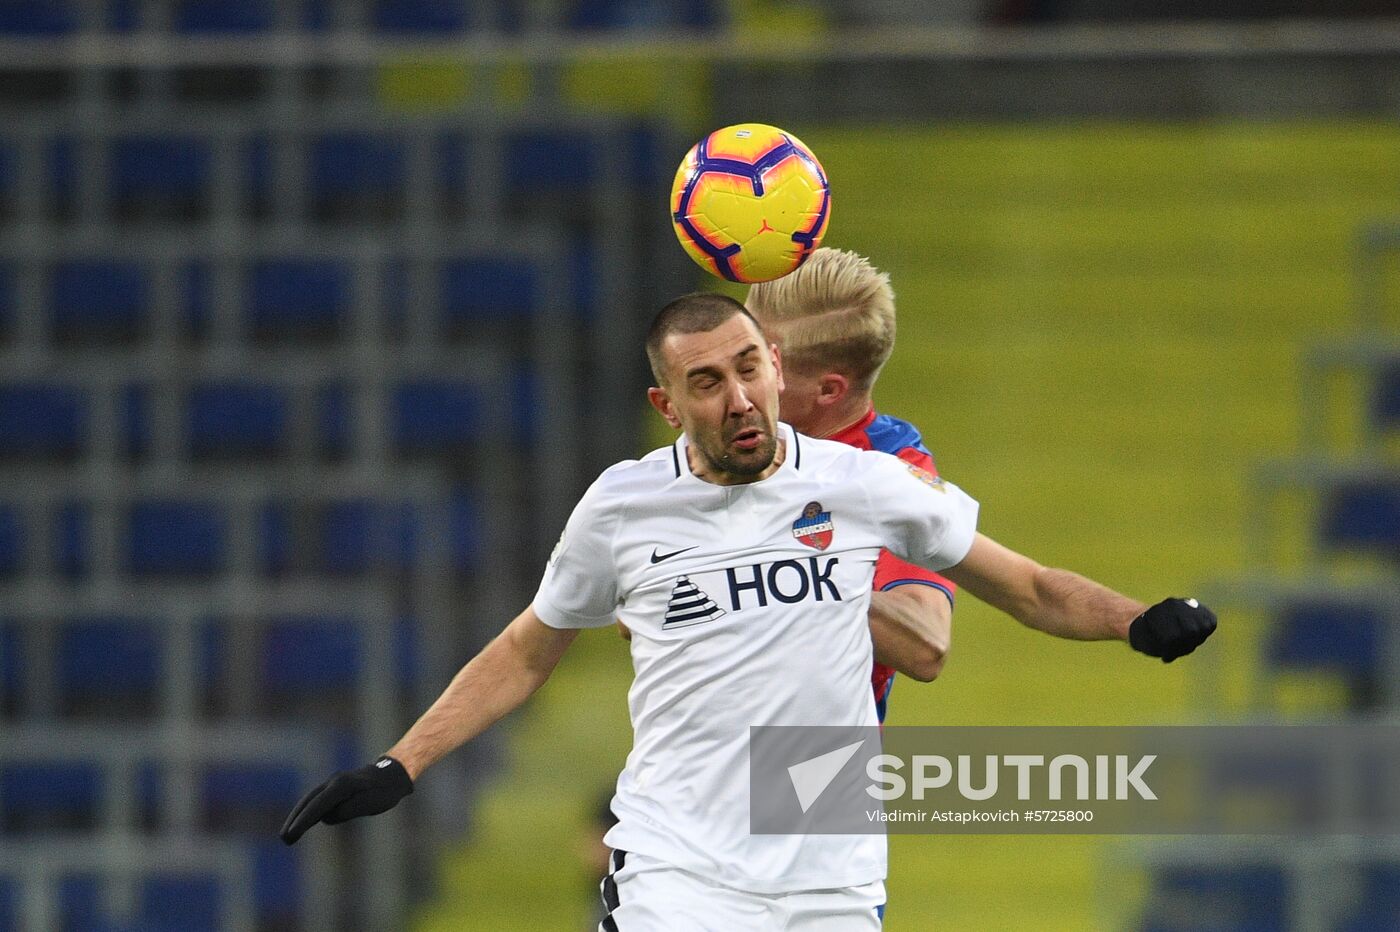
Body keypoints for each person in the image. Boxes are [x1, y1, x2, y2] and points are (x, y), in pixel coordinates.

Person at [280, 294, 1216, 930]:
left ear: (777, 367)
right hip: (677, 870)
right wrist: (400, 764)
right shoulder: (621, 507)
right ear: (666, 403)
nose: (739, 399)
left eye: (749, 369)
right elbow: (529, 649)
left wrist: (1139, 622)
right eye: (706, 382)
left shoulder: (865, 485)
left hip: (831, 878)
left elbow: (1030, 586)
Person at [747, 248, 958, 723]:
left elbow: (925, 644)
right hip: (688, 773)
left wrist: (780, 570)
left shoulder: (889, 467)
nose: (738, 381)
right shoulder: (725, 438)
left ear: (828, 390)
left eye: (759, 363)